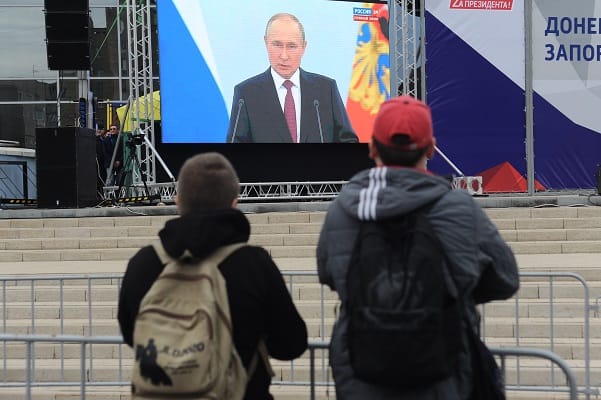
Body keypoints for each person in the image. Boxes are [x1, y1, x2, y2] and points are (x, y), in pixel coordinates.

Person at [316, 96, 519, 399]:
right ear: (431, 148)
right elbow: (506, 278)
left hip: (360, 373)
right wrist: (449, 293)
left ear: (372, 148)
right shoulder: (459, 208)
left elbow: (329, 273)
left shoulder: (342, 210)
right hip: (443, 371)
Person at [118, 152, 308, 400]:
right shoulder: (254, 265)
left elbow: (132, 335)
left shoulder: (143, 264)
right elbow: (290, 345)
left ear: (177, 201)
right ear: (234, 203)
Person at [226, 13, 358, 143]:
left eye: (291, 46)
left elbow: (348, 140)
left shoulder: (326, 89)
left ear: (304, 47)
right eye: (277, 45)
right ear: (266, 43)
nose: (284, 56)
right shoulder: (246, 93)